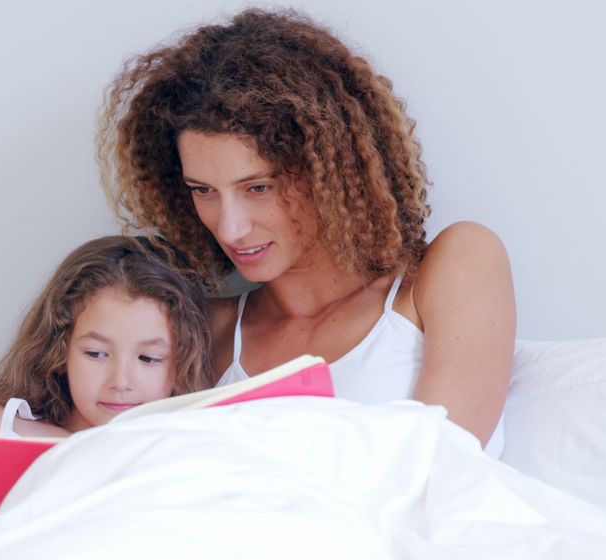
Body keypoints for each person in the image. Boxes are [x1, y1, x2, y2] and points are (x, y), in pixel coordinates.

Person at [97, 8, 515, 453]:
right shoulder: (205, 328)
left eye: (258, 187)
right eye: (203, 190)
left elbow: (444, 463)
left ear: (328, 172)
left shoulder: (449, 271)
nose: (230, 227)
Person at [0, 235, 215, 438]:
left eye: (149, 358)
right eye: (96, 354)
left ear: (184, 361)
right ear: (59, 349)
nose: (120, 382)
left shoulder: (183, 451)